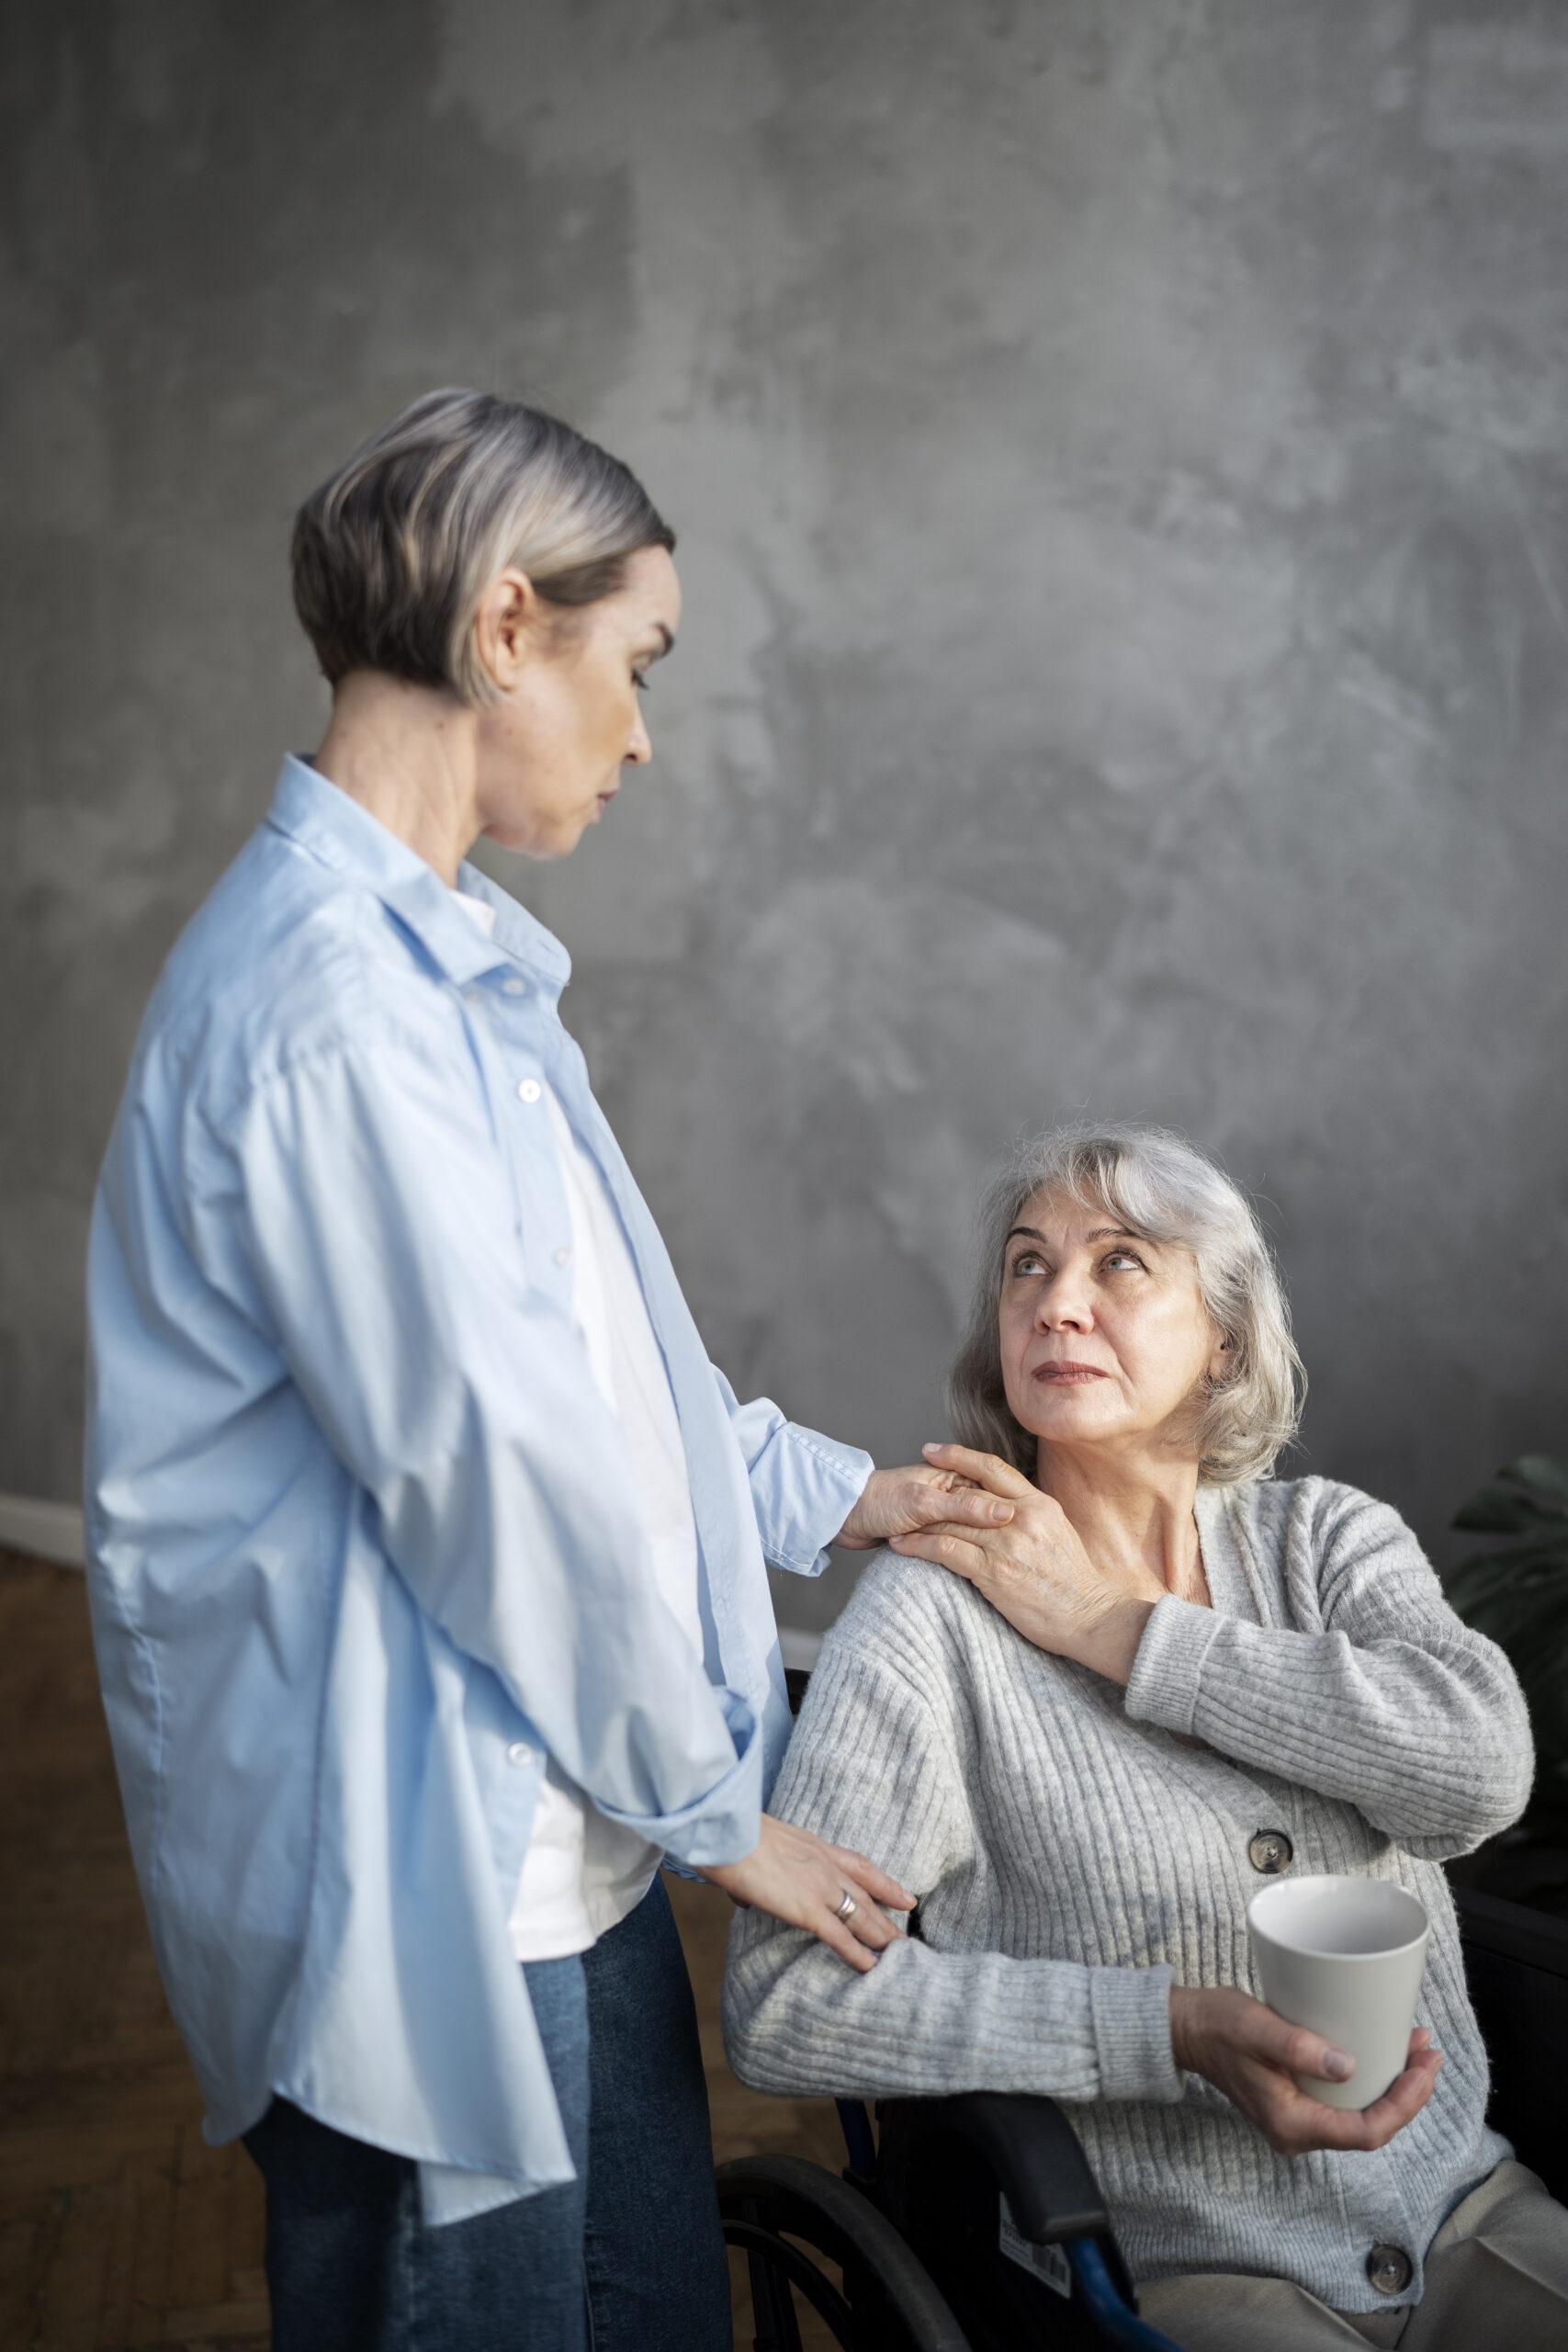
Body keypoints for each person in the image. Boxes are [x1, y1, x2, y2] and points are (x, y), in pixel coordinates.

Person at [83, 390, 1012, 2352]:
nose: (645, 732)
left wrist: (827, 1490)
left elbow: (601, 1378)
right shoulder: (332, 1013)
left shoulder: (458, 971)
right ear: (508, 629)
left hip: (559, 1825)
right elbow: (498, 1482)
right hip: (427, 1881)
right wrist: (717, 1801)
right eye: (633, 661)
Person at [723, 1122, 1568, 2349]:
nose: (1057, 1304)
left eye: (1120, 1263)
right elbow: (785, 2004)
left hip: (1466, 2214)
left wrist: (1111, 1626)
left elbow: (1478, 1775)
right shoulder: (930, 1618)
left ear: (1223, 1340)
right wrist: (1165, 2029)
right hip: (1177, 2269)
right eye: (1027, 1266)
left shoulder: (1324, 1542)